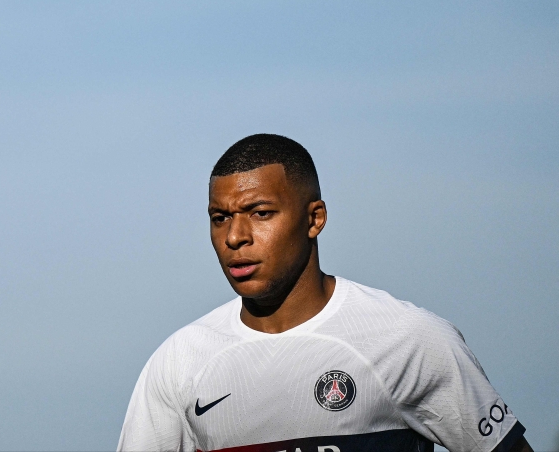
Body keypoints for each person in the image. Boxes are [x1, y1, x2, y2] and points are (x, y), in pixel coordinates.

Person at [117, 134, 530, 452]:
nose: (235, 236)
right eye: (220, 217)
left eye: (260, 213)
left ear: (314, 219)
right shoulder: (180, 361)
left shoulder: (410, 340)